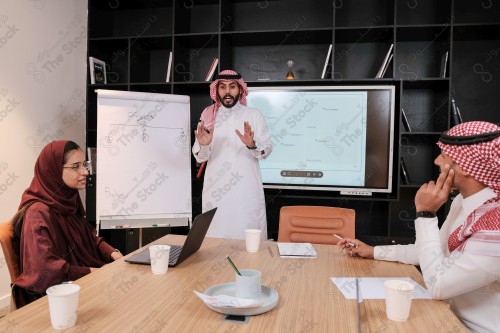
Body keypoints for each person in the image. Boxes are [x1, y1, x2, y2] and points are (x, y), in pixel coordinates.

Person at [338, 121, 500, 333]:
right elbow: (434, 251)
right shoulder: (463, 200)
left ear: (465, 166)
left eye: (443, 155)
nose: (436, 160)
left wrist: (425, 214)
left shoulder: (495, 228)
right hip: (446, 315)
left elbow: (438, 285)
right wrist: (372, 251)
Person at [11, 140, 123, 308]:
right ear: (53, 170)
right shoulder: (37, 213)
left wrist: (113, 253)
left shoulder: (68, 200)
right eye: (76, 166)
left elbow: (89, 237)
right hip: (55, 298)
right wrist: (91, 272)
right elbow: (44, 268)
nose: (85, 172)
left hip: (79, 284)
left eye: (84, 165)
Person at [192, 69, 273, 240]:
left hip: (246, 194)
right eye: (222, 87)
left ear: (240, 89)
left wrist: (252, 145)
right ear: (217, 90)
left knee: (249, 246)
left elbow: (266, 150)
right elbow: (200, 157)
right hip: (217, 193)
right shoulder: (208, 115)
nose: (227, 91)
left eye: (232, 86)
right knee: (214, 245)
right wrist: (204, 144)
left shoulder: (254, 115)